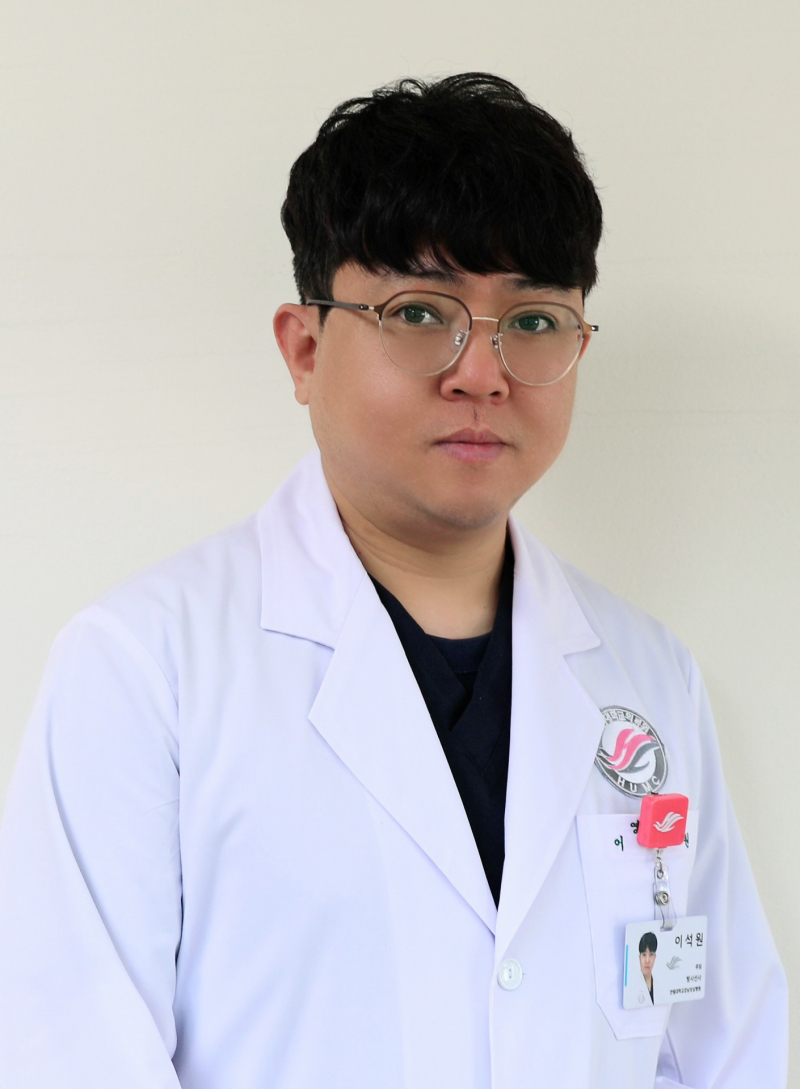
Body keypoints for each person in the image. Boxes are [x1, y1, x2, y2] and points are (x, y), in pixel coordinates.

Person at [0, 73, 787, 1089]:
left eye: (533, 320)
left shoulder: (646, 675)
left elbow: (721, 1045)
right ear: (304, 348)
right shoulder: (146, 667)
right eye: (421, 312)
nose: (482, 372)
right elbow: (73, 1055)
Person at [639, 932, 658, 1005]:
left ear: (655, 957)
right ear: (639, 957)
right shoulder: (633, 987)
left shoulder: (659, 987)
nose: (647, 960)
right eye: (644, 955)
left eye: (651, 954)